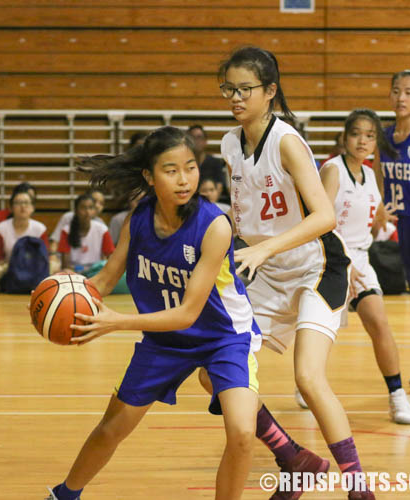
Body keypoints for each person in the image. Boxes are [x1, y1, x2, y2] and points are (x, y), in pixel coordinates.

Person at [45, 126, 262, 500]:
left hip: (223, 338)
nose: (184, 179)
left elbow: (188, 313)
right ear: (149, 176)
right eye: (171, 170)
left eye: (190, 167)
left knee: (242, 433)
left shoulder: (215, 225)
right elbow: (108, 277)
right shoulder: (140, 218)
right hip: (164, 341)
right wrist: (66, 293)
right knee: (112, 427)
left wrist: (117, 322)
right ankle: (63, 495)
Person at [215, 46, 373, 499]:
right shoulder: (230, 144)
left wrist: (264, 251)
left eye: (245, 89)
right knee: (217, 372)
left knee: (307, 376)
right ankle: (294, 458)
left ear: (269, 91)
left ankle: (359, 488)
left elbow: (323, 217)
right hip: (269, 270)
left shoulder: (286, 141)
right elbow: (245, 219)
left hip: (317, 266)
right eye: (229, 88)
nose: (235, 97)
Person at [317, 109, 410, 424]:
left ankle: (397, 396)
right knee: (319, 332)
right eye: (357, 133)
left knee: (378, 322)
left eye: (371, 135)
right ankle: (305, 384)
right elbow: (320, 223)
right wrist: (342, 262)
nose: (363, 140)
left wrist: (380, 221)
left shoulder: (373, 174)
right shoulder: (332, 170)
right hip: (328, 260)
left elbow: (370, 227)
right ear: (345, 137)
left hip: (360, 258)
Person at [374, 70, 410, 387]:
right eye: (396, 91)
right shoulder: (385, 137)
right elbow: (380, 179)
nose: (401, 97)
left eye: (408, 92)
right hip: (405, 226)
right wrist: (379, 206)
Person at [0, 189, 48, 292]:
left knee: (56, 267)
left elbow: (44, 257)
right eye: (18, 203)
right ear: (11, 208)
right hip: (8, 268)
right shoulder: (1, 228)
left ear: (33, 207)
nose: (23, 206)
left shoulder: (40, 229)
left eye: (26, 203)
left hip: (33, 268)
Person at [57, 193, 115, 272]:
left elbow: (111, 257)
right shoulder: (67, 230)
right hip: (74, 272)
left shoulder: (102, 229)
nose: (87, 212)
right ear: (76, 211)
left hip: (95, 272)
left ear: (94, 210)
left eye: (90, 208)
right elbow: (65, 265)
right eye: (83, 208)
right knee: (65, 271)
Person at [188, 124, 228, 201]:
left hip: (211, 202)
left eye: (199, 137)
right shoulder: (185, 164)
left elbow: (219, 186)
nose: (196, 141)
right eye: (192, 138)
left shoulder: (215, 162)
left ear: (205, 141)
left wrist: (211, 205)